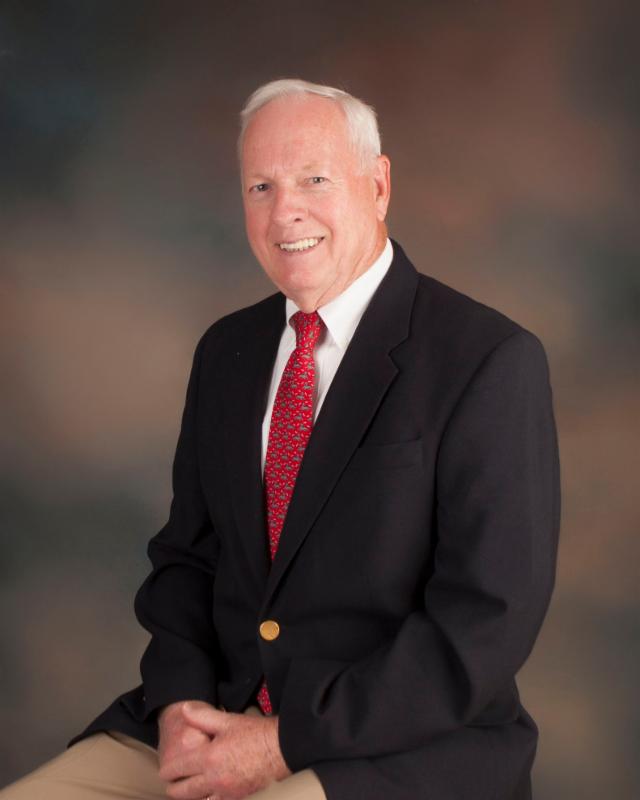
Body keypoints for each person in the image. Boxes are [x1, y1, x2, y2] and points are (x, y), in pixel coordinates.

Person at [0, 78, 560, 800]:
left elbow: (484, 624)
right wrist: (178, 705)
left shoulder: (487, 359)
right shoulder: (226, 351)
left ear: (378, 185)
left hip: (391, 749)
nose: (284, 210)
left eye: (314, 179)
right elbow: (187, 561)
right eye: (260, 186)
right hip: (211, 718)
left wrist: (283, 742)